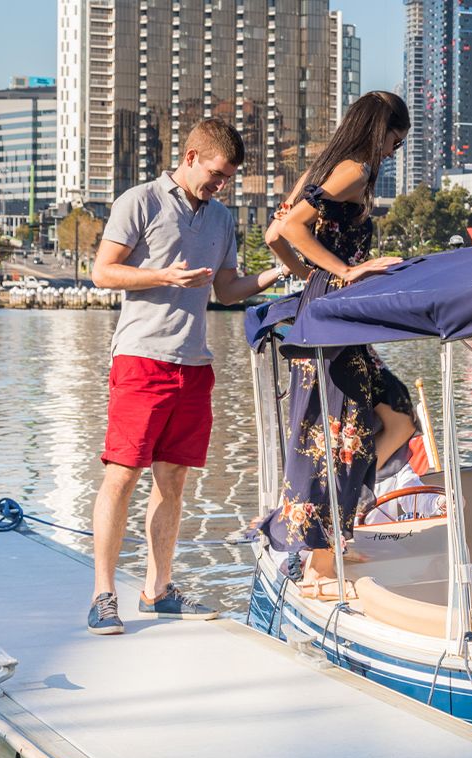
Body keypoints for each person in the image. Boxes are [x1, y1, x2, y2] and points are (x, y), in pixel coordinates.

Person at [87, 119, 284, 635]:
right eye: (217, 175)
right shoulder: (141, 200)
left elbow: (227, 291)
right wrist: (161, 275)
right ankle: (103, 595)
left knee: (173, 481)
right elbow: (103, 272)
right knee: (121, 477)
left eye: (228, 179)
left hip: (194, 365)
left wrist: (279, 273)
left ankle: (158, 589)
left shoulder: (221, 219)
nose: (221, 186)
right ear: (192, 155)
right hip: (141, 359)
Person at [259, 91, 415, 585]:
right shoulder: (355, 171)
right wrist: (345, 271)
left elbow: (273, 236)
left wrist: (310, 278)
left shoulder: (322, 169)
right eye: (396, 139)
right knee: (338, 434)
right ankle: (322, 557)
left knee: (393, 416)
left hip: (326, 310)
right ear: (380, 129)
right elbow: (290, 227)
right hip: (334, 314)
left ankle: (332, 534)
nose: (395, 150)